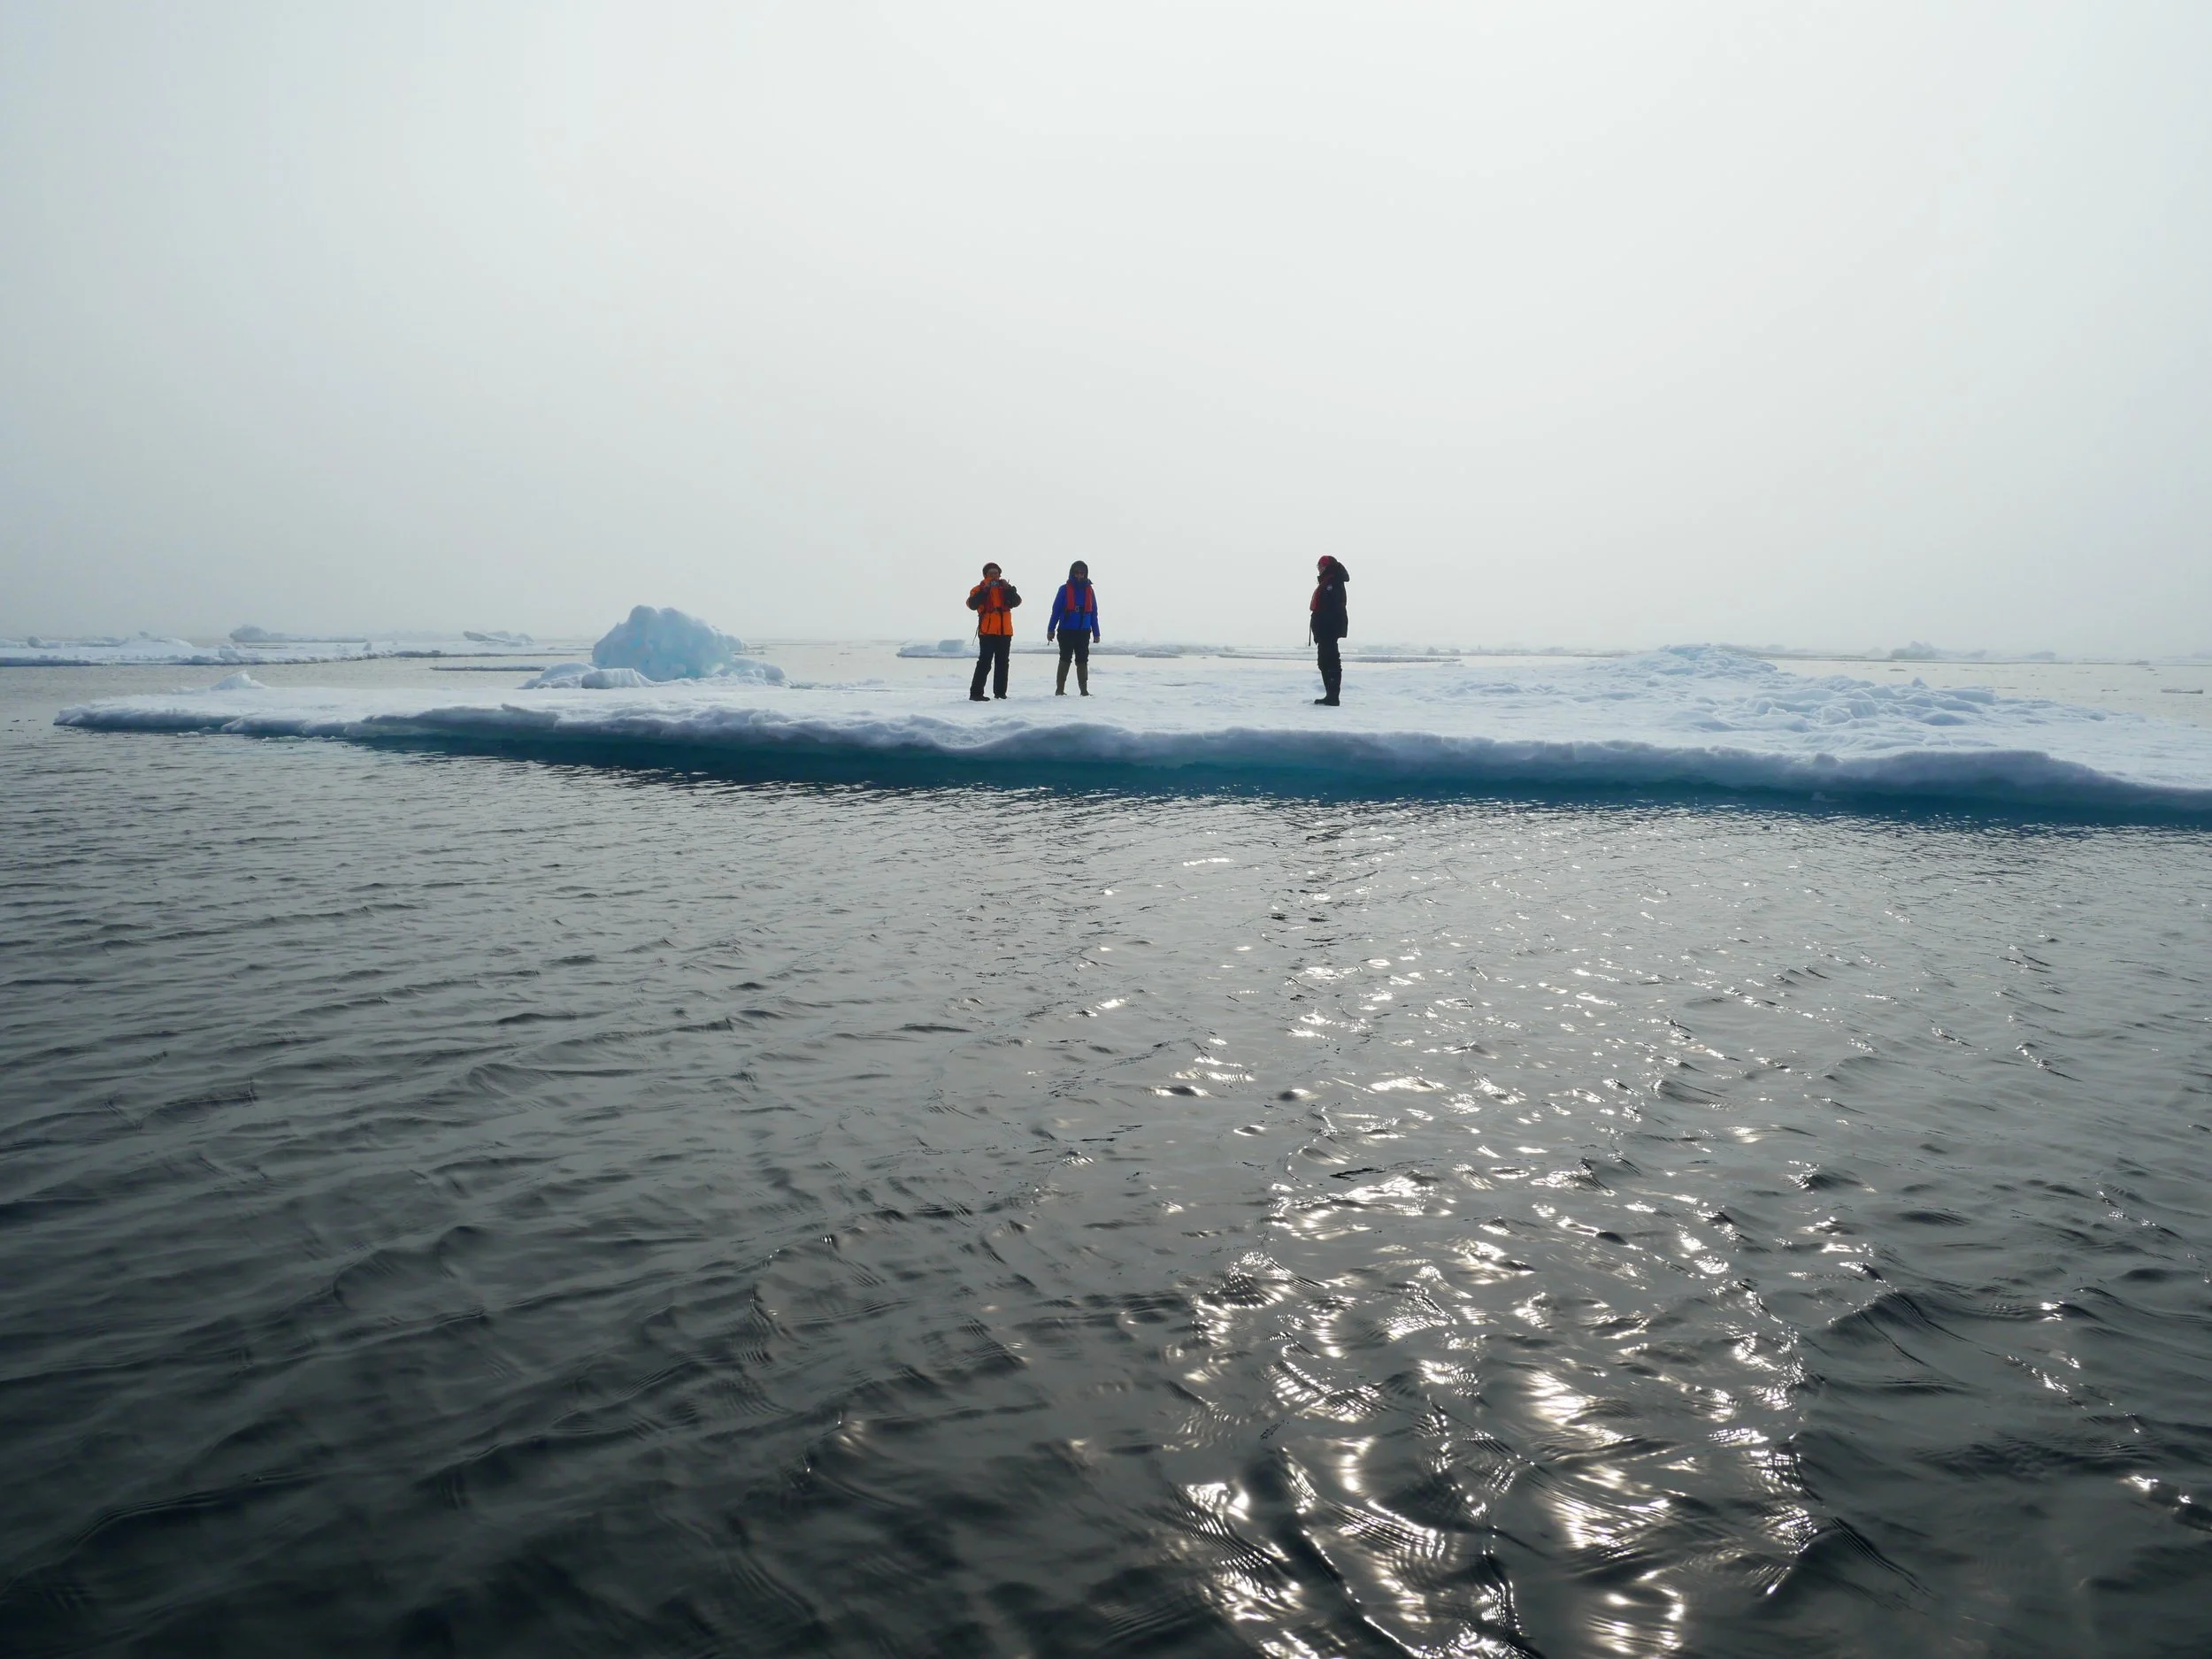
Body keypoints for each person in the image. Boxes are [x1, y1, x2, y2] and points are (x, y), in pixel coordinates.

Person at [966, 562, 1021, 699]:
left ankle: (1000, 693)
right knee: (984, 662)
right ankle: (976, 694)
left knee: (1003, 663)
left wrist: (1009, 589)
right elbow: (971, 604)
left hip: (1004, 631)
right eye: (991, 574)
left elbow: (1017, 601)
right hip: (987, 631)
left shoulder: (1005, 588)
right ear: (985, 575)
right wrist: (984, 590)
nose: (994, 576)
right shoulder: (978, 589)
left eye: (996, 573)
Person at [1046, 560, 1101, 695]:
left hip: (1084, 631)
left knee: (1082, 660)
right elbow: (1056, 611)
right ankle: (1060, 690)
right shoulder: (1063, 590)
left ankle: (1084, 691)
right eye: (1076, 573)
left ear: (1085, 574)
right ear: (1072, 573)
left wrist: (1096, 633)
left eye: (1082, 573)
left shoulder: (1090, 591)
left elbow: (1094, 613)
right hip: (1066, 630)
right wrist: (1050, 629)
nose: (1079, 576)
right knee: (1065, 658)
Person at [1310, 556, 1349, 704]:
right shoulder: (1327, 581)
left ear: (1328, 566)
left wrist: (1325, 624)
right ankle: (1330, 695)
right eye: (1318, 565)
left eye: (1321, 565)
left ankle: (1333, 697)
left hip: (1329, 629)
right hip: (1324, 629)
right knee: (1324, 662)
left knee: (1330, 661)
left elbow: (1334, 607)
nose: (1319, 568)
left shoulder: (1333, 582)